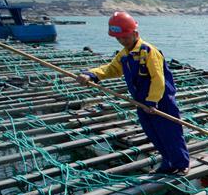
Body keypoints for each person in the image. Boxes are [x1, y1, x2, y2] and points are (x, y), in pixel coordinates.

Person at [77, 11, 190, 175]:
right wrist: (92, 74)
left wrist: (152, 101)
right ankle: (168, 163)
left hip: (161, 100)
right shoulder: (124, 55)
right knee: (154, 134)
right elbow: (112, 69)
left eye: (125, 37)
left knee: (170, 132)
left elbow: (158, 79)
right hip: (141, 102)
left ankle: (181, 164)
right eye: (119, 38)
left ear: (135, 33)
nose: (122, 41)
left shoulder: (149, 52)